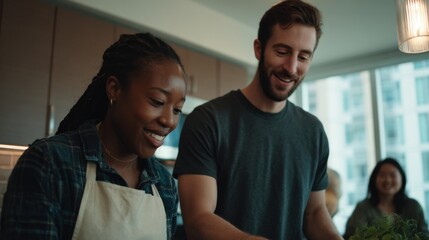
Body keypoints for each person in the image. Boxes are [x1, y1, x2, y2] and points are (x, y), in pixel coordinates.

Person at [173, 0, 343, 239]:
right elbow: (198, 220)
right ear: (258, 49)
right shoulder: (208, 121)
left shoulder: (313, 131)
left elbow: (314, 213)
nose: (291, 68)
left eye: (303, 57)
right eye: (282, 52)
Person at [0, 32, 187, 239]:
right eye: (157, 101)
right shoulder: (49, 163)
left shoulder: (165, 185)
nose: (169, 121)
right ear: (114, 89)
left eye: (177, 110)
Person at [343, 157, 428, 238]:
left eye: (392, 175)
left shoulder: (413, 207)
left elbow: (424, 235)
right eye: (382, 175)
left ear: (402, 178)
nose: (387, 180)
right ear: (374, 179)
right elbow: (352, 236)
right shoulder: (363, 208)